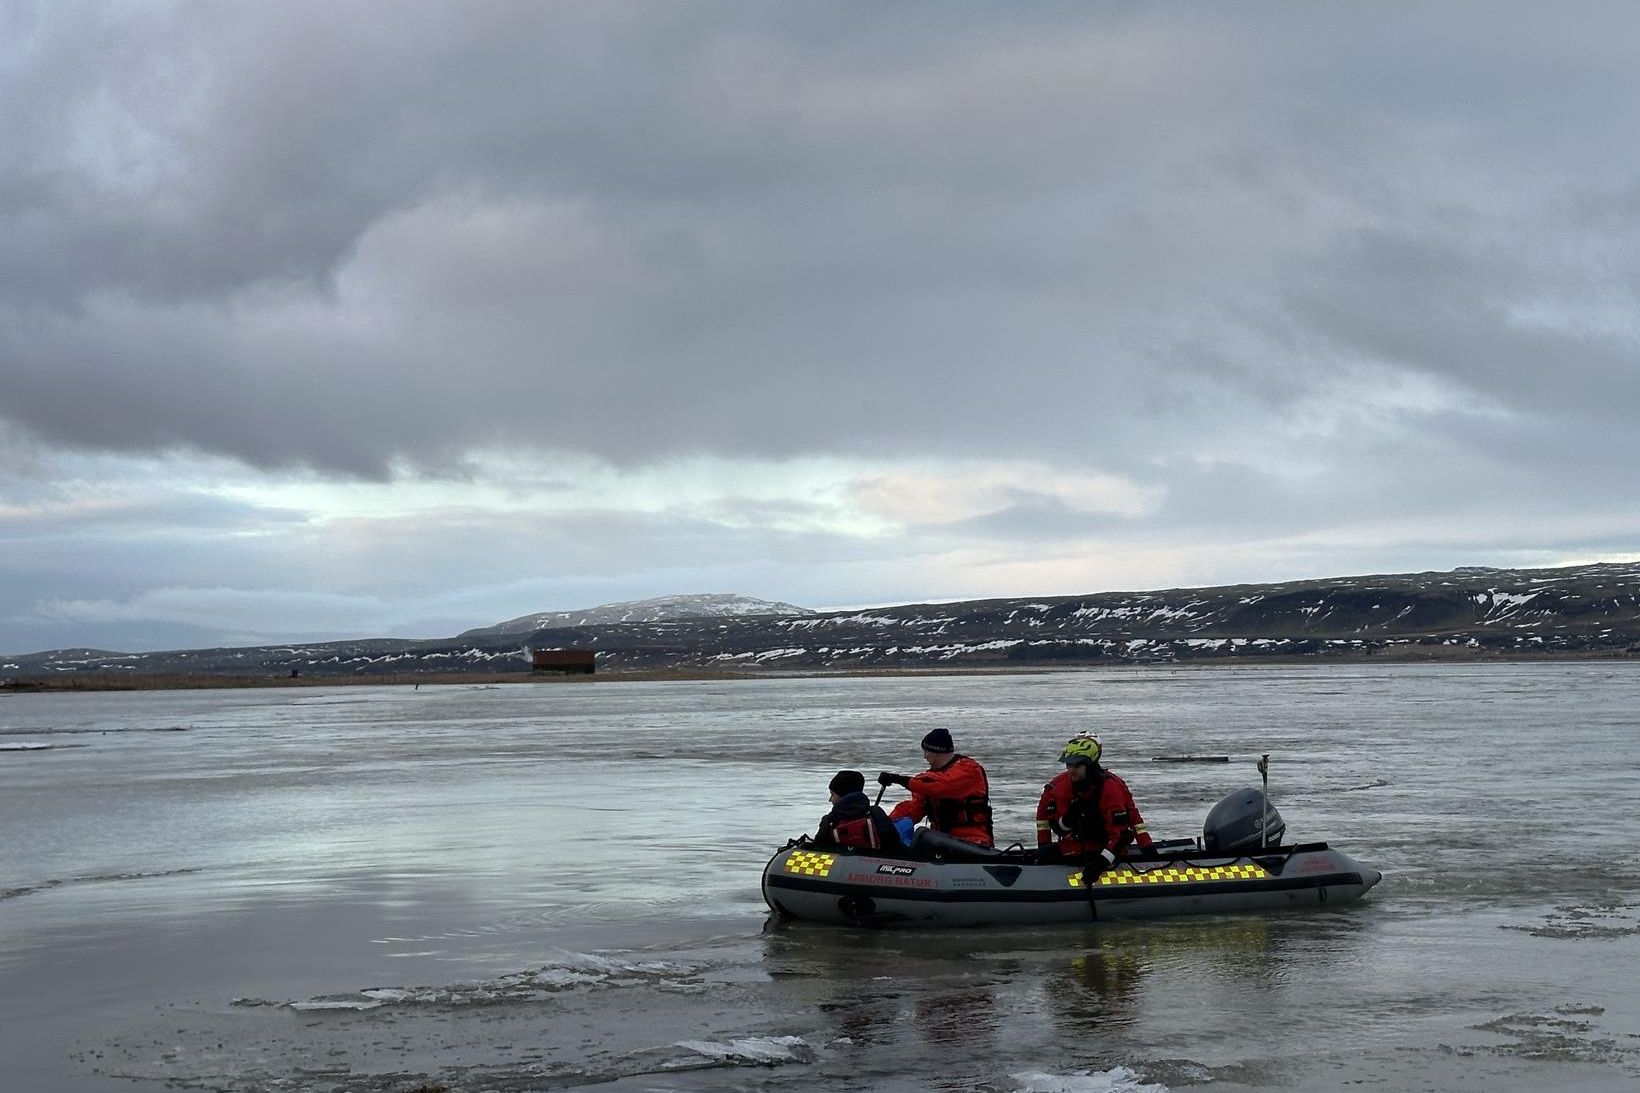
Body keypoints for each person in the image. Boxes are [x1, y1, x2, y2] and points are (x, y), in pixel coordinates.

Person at [1036, 733, 1153, 877]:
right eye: (1069, 765)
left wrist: (1100, 864)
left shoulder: (1110, 788)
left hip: (1102, 850)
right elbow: (1050, 821)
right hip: (1072, 850)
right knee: (1047, 854)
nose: (1071, 770)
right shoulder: (1057, 786)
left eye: (1077, 765)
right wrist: (1044, 845)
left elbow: (1120, 835)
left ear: (1089, 765)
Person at [877, 728, 994, 848]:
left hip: (973, 842)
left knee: (924, 836)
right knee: (919, 838)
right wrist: (885, 824)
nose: (925, 756)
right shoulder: (928, 779)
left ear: (937, 751)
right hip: (942, 842)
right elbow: (914, 808)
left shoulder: (969, 770)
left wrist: (898, 779)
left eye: (926, 751)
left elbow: (941, 786)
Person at [815, 769, 903, 850]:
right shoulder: (876, 814)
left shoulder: (828, 821)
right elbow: (896, 847)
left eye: (832, 795)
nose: (830, 799)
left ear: (843, 795)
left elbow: (817, 850)